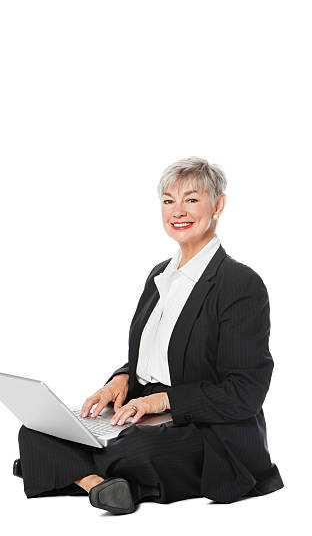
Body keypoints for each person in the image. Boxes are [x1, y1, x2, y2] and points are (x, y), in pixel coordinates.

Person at [16, 156, 284, 515]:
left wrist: (162, 402)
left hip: (207, 431)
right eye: (168, 200)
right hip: (140, 414)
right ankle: (96, 483)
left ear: (218, 205)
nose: (178, 210)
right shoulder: (160, 276)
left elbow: (245, 393)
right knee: (38, 429)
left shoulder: (240, 284)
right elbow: (154, 354)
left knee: (132, 450)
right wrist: (121, 379)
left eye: (191, 199)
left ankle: (62, 469)